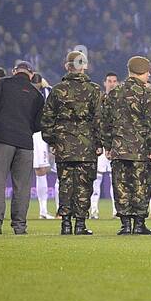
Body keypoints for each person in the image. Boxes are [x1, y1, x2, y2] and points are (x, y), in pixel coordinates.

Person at [0, 60, 45, 234]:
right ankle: (20, 226)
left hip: (2, 141)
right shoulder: (36, 94)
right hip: (25, 144)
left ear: (14, 71)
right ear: (30, 74)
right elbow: (39, 124)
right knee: (22, 187)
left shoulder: (3, 84)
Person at [40, 50, 102, 235]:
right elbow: (99, 119)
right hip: (87, 145)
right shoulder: (94, 89)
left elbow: (46, 119)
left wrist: (52, 140)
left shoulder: (58, 90)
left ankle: (66, 224)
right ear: (84, 66)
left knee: (65, 184)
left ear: (67, 66)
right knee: (84, 185)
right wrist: (99, 143)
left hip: (64, 145)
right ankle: (81, 224)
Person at [100, 55, 151, 235]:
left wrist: (108, 145)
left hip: (119, 148)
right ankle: (139, 224)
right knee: (142, 186)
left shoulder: (115, 93)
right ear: (142, 72)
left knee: (121, 186)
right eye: (147, 71)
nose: (149, 74)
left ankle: (125, 224)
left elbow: (106, 121)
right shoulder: (147, 93)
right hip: (141, 151)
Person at [91, 72, 119, 218]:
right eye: (109, 81)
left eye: (114, 81)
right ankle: (93, 210)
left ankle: (116, 211)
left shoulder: (121, 100)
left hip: (116, 143)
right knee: (97, 178)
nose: (112, 83)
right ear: (105, 83)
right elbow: (95, 121)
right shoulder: (99, 99)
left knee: (115, 179)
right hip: (101, 143)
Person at [31, 72, 55, 219]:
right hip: (36, 133)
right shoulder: (45, 91)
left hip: (38, 133)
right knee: (41, 170)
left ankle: (43, 210)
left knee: (42, 170)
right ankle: (43, 211)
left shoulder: (46, 92)